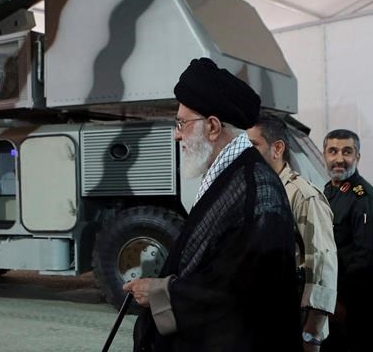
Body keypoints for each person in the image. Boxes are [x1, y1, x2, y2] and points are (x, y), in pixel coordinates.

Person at [123, 58, 301, 352]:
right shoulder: (234, 176)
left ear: (213, 127)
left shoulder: (255, 189)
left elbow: (238, 292)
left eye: (181, 123)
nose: (176, 134)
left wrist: (161, 292)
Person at [248, 112, 338, 352]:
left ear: (277, 148)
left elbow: (323, 262)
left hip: (296, 318)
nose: (245, 153)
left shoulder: (303, 195)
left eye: (253, 145)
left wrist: (312, 332)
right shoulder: (256, 190)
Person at [320, 129, 373, 352]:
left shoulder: (363, 198)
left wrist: (342, 301)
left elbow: (363, 260)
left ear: (357, 156)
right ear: (324, 155)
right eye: (333, 151)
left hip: (355, 308)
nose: (339, 159)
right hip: (333, 301)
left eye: (347, 152)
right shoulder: (330, 190)